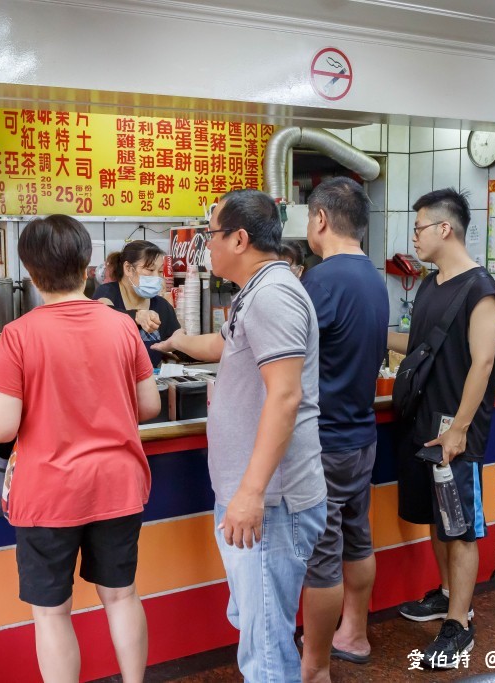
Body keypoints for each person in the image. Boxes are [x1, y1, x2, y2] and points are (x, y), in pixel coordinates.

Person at [153, 189, 326, 682]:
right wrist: (175, 343)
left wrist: (249, 494)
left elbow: (285, 396)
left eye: (210, 234)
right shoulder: (258, 289)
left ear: (240, 238)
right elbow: (227, 345)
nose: (206, 244)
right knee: (258, 630)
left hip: (269, 503)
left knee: (267, 649)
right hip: (255, 499)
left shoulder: (272, 295)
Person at [0, 215, 161, 683]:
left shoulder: (19, 334)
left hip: (48, 493)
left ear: (30, 271)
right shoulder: (123, 326)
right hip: (118, 485)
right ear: (87, 266)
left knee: (52, 613)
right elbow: (150, 405)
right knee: (122, 596)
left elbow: (1, 427)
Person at [387, 188, 495, 668]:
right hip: (423, 425)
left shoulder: (480, 289)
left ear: (444, 228)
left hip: (457, 435)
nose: (414, 237)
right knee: (437, 520)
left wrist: (458, 430)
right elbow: (414, 346)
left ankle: (460, 625)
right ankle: (445, 593)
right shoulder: (432, 285)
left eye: (418, 228)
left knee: (460, 530)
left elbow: (483, 362)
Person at [296, 177, 389, 683]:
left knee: (322, 557)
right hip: (361, 436)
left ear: (321, 220)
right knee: (357, 539)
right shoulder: (373, 277)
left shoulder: (322, 280)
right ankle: (354, 632)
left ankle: (315, 666)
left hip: (325, 441)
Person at [93, 240, 181, 367]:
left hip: (150, 382)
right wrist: (137, 316)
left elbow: (178, 347)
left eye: (160, 272)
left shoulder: (162, 306)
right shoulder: (107, 292)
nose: (156, 277)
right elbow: (103, 313)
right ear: (128, 268)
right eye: (150, 270)